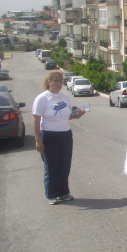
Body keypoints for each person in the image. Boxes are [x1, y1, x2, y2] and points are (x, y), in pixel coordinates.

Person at [33, 71, 86, 205]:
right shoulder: (43, 98)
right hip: (49, 134)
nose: (58, 83)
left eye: (60, 81)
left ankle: (63, 192)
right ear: (49, 82)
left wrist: (77, 115)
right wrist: (38, 140)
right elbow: (35, 119)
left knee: (64, 165)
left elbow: (68, 116)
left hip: (65, 134)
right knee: (51, 166)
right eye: (55, 80)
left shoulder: (64, 97)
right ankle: (52, 194)